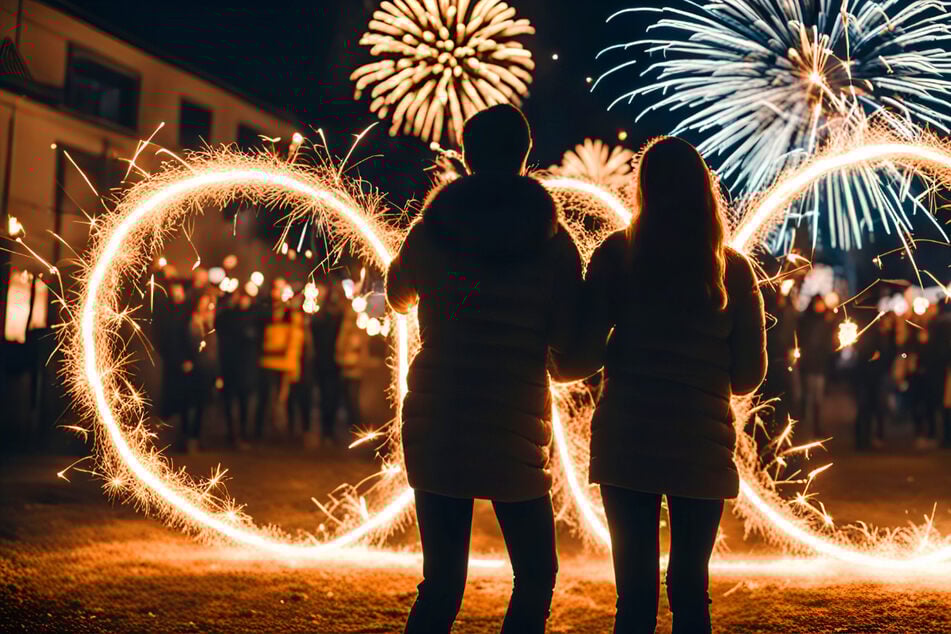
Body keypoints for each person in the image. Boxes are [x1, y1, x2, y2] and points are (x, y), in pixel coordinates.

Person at [554, 136, 767, 634]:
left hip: (628, 442)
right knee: (692, 589)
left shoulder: (616, 255)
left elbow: (580, 358)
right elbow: (746, 378)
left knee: (634, 597)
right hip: (700, 444)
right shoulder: (732, 269)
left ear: (642, 188)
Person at [386, 103, 582, 634]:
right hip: (512, 423)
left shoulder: (432, 231)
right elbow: (568, 348)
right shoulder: (555, 243)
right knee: (536, 575)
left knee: (442, 583)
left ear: (467, 155)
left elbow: (397, 296)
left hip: (438, 419)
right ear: (524, 154)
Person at [215, 288, 260, 449]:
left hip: (245, 366)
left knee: (244, 403)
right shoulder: (228, 316)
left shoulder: (254, 317)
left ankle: (242, 433)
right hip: (231, 365)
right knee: (230, 401)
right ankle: (232, 433)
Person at [798, 295, 836, 438]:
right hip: (809, 364)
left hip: (820, 365)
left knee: (817, 399)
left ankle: (816, 427)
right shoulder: (806, 321)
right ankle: (805, 427)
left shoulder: (826, 321)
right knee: (807, 396)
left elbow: (829, 343)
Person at [312, 282, 344, 445]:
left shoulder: (326, 317)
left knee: (329, 398)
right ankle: (327, 431)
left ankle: (328, 431)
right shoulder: (332, 317)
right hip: (328, 362)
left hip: (330, 362)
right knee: (328, 398)